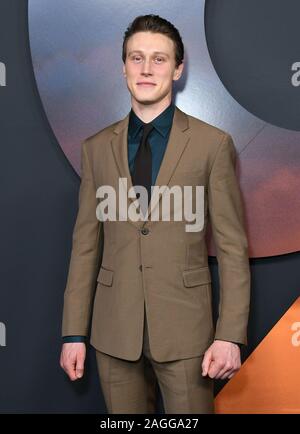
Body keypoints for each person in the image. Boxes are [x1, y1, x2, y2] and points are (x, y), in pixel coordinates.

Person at [60, 14, 250, 414]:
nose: (146, 69)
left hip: (188, 337)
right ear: (123, 66)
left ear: (178, 69)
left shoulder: (212, 145)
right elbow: (84, 248)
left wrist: (230, 335)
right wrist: (73, 332)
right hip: (113, 335)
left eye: (159, 59)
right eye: (136, 58)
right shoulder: (95, 149)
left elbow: (233, 248)